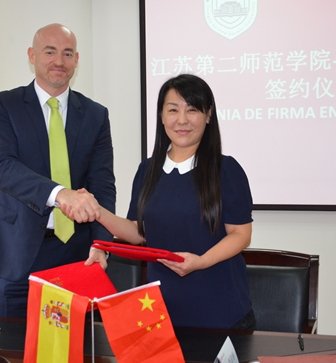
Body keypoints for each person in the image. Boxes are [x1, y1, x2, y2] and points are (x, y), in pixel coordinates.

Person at [0, 23, 116, 318]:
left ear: (77, 59)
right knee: (9, 343)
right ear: (32, 55)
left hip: (76, 254)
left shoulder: (96, 115)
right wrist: (60, 194)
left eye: (67, 53)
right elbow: (2, 166)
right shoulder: (2, 105)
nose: (59, 61)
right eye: (50, 52)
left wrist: (101, 244)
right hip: (15, 252)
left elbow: (102, 184)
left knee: (73, 345)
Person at [89, 73, 255, 330]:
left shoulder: (226, 169)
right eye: (173, 110)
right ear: (161, 116)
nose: (182, 120)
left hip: (220, 311)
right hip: (161, 311)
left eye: (192, 110)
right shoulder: (147, 170)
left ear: (208, 116)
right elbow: (137, 232)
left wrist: (201, 261)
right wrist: (98, 211)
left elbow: (241, 234)